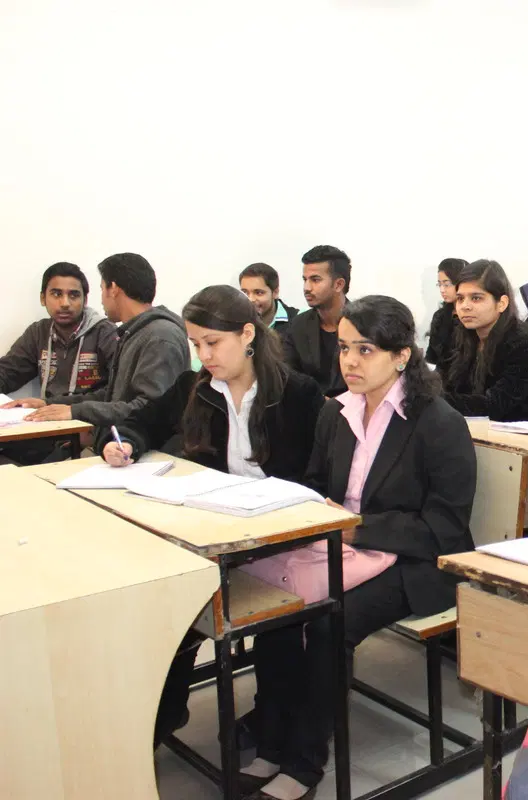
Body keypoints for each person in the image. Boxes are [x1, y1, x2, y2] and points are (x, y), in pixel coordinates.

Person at [246, 295, 475, 800]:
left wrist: (358, 527)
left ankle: (305, 762)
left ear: (402, 356)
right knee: (274, 607)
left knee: (329, 620)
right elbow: (314, 482)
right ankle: (271, 739)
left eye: (365, 350)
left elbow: (445, 526)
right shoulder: (336, 413)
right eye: (344, 348)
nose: (349, 361)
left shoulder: (438, 423)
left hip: (416, 560)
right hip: (343, 544)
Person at [92, 285, 324, 750]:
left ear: (247, 334)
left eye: (212, 343)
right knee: (165, 604)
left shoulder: (297, 393)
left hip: (278, 533)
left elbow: (316, 480)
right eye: (196, 344)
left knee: (200, 607)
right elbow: (143, 421)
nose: (203, 355)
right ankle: (155, 720)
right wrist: (123, 444)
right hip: (216, 530)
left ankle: (264, 724)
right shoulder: (194, 386)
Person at [7, 253, 189, 429]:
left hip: (140, 446)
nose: (64, 303)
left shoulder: (160, 337)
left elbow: (151, 410)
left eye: (102, 288)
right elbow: (112, 396)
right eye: (56, 294)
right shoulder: (131, 333)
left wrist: (76, 412)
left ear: (114, 289)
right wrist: (52, 405)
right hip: (121, 440)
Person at [0, 262, 120, 464]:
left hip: (88, 429)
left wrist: (62, 406)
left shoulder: (105, 333)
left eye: (73, 295)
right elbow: (9, 372)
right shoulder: (38, 333)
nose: (65, 303)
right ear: (42, 298)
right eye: (56, 294)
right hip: (47, 425)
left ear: (85, 299)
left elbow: (115, 391)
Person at [442, 260, 528, 421]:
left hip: (512, 439)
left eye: (476, 298)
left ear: (501, 304)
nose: (464, 306)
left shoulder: (526, 347)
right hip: (467, 433)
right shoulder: (460, 337)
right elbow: (444, 385)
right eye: (460, 299)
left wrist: (432, 399)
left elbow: (494, 405)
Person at [283, 245, 351, 397]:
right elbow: (288, 376)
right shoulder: (298, 325)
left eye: (315, 280)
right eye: (305, 279)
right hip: (309, 412)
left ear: (338, 284)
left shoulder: (363, 325)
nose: (306, 287)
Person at [426, 257, 467, 371]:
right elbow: (431, 357)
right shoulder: (440, 316)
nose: (442, 290)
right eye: (439, 284)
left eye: (447, 284)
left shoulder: (472, 316)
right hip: (439, 381)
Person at [240, 263, 298, 335]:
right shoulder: (235, 322)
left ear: (275, 293)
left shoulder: (297, 321)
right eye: (245, 292)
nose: (250, 299)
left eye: (258, 292)